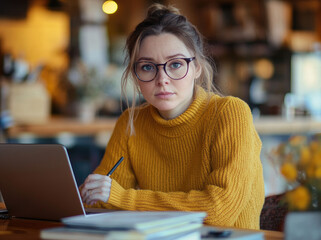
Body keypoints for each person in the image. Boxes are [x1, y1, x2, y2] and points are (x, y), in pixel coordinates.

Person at [80, 3, 264, 230]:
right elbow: (101, 201)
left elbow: (217, 211)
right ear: (135, 76)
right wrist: (93, 192)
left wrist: (123, 198)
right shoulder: (131, 123)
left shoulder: (231, 114)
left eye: (175, 64)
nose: (162, 79)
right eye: (148, 67)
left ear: (196, 67)